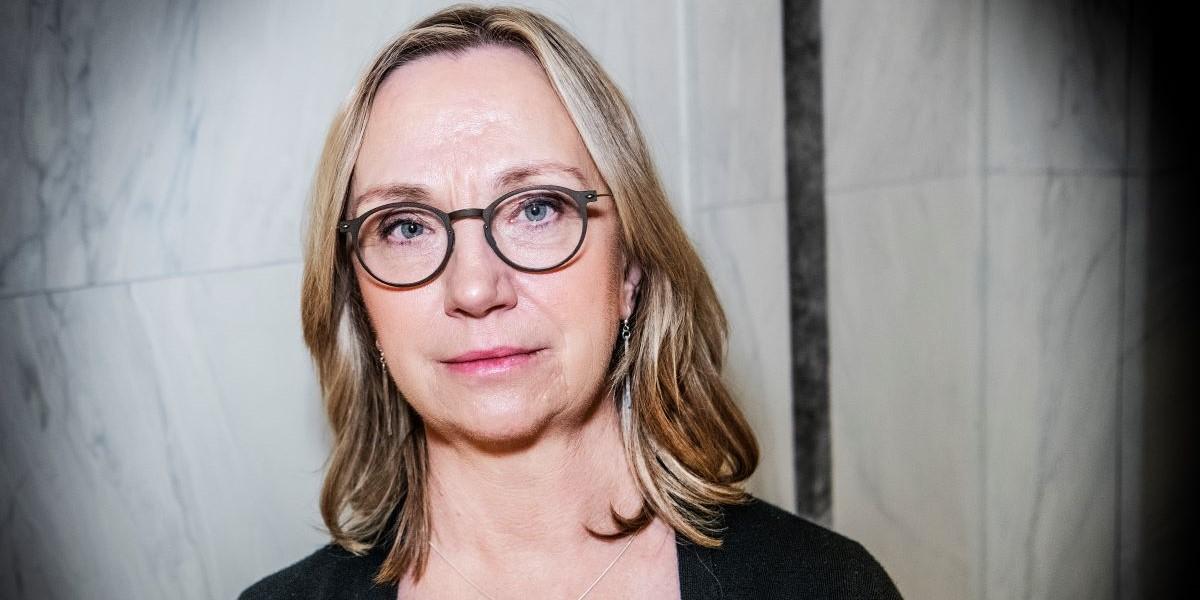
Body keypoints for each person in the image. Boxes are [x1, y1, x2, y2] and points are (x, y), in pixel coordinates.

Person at [240, 4, 900, 599]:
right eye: (406, 226)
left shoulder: (827, 587)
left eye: (537, 208)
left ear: (631, 267)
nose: (475, 289)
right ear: (360, 300)